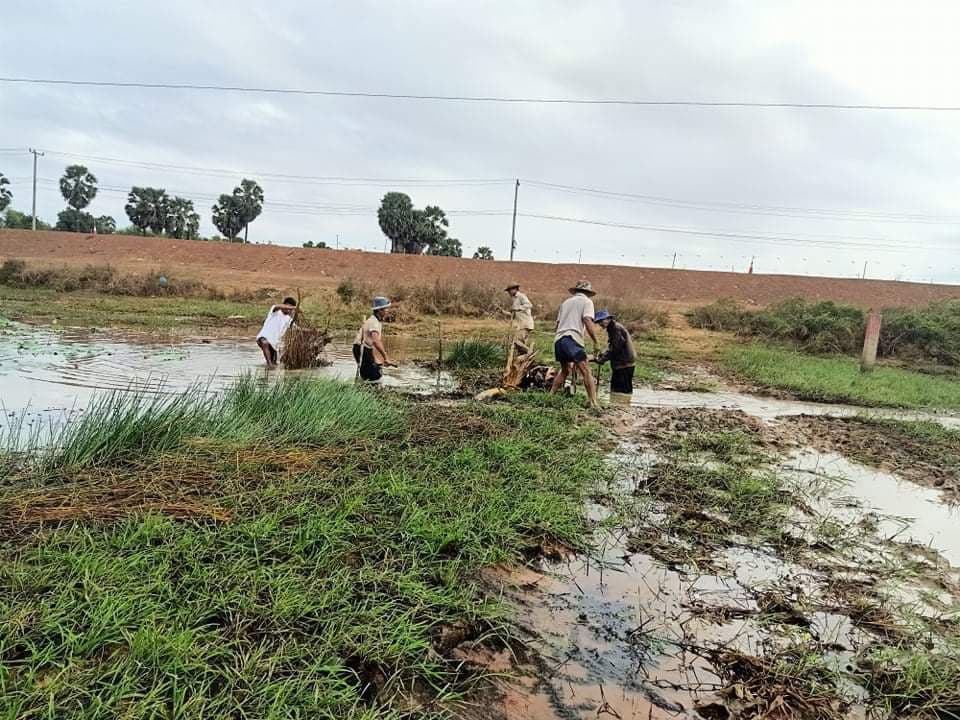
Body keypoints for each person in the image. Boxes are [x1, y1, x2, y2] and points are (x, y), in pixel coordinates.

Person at [549, 280, 601, 409]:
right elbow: (587, 320)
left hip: (559, 339)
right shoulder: (587, 302)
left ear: (576, 291)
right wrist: (596, 341)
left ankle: (550, 396)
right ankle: (593, 402)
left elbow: (557, 325)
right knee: (586, 370)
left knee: (565, 370)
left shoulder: (565, 303)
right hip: (572, 338)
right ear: (588, 293)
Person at [593, 310, 637, 395]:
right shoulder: (612, 328)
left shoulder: (615, 329)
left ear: (608, 319)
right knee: (620, 389)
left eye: (601, 321)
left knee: (621, 391)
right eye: (599, 322)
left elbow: (615, 348)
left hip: (624, 363)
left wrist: (602, 359)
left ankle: (623, 405)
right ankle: (622, 404)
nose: (600, 324)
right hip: (623, 362)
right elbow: (613, 346)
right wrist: (604, 354)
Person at [352, 296, 396, 382]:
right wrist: (386, 357)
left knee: (375, 372)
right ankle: (365, 392)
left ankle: (364, 388)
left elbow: (370, 343)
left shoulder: (376, 321)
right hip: (361, 349)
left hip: (364, 348)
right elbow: (376, 341)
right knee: (373, 376)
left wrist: (376, 360)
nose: (388, 311)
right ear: (379, 310)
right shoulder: (374, 322)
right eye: (386, 309)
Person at [256, 297, 298, 366]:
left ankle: (269, 367)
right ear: (283, 305)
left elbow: (297, 329)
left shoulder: (289, 320)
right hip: (263, 338)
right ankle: (269, 365)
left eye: (290, 308)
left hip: (274, 345)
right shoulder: (275, 311)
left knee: (275, 363)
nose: (288, 309)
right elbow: (277, 306)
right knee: (265, 343)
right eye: (287, 306)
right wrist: (293, 308)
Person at [504, 282, 535, 354]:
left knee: (515, 341)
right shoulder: (514, 299)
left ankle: (530, 352)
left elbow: (529, 305)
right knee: (520, 345)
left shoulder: (521, 296)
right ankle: (524, 359)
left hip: (525, 324)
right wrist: (503, 312)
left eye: (509, 290)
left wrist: (517, 308)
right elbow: (514, 314)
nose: (508, 292)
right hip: (520, 325)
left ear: (515, 289)